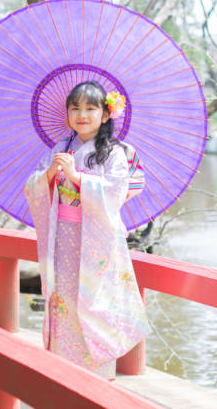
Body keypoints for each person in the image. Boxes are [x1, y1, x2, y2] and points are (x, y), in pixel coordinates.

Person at [24, 80, 150, 379]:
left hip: (97, 241)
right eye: (75, 108)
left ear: (105, 115)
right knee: (64, 297)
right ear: (67, 113)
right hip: (63, 235)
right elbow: (33, 189)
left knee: (96, 299)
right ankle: (63, 370)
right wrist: (51, 173)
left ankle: (98, 372)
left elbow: (116, 192)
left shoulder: (114, 152)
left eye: (90, 108)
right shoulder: (59, 148)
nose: (82, 114)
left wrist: (77, 177)